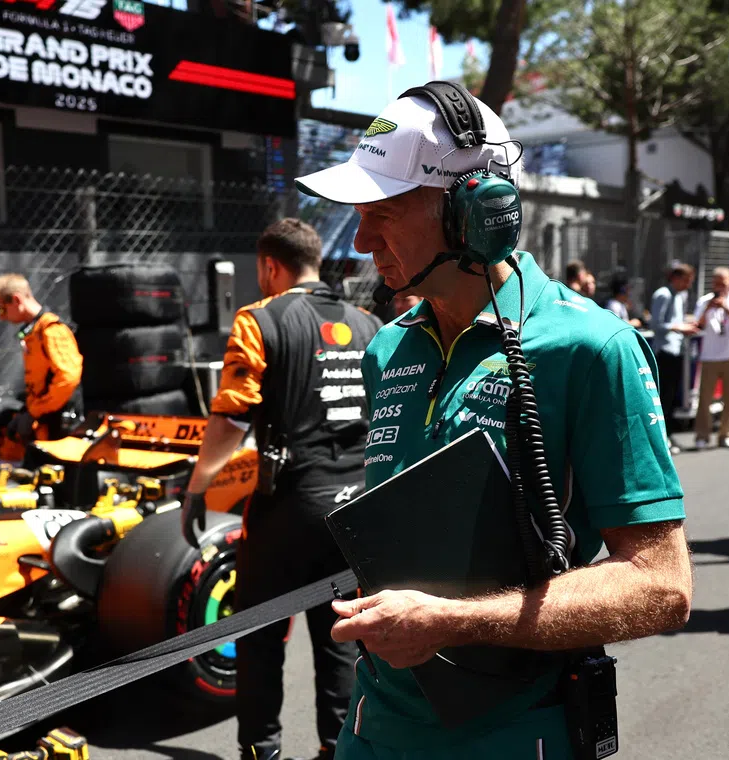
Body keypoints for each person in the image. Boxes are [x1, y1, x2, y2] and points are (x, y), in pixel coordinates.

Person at [294, 81, 691, 759]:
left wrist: (451, 622)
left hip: (514, 732)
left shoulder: (591, 348)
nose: (361, 242)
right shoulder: (388, 348)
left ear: (476, 212)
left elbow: (660, 585)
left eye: (383, 213)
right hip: (375, 726)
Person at [179, 218, 383, 760]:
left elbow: (230, 419)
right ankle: (336, 748)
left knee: (259, 634)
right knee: (342, 635)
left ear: (270, 266)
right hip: (358, 504)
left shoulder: (259, 319)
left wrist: (197, 487)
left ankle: (262, 751)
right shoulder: (368, 324)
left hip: (289, 505)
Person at [0, 274, 84, 449]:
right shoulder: (34, 331)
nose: (1, 317)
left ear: (16, 300)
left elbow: (68, 378)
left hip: (60, 422)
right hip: (44, 419)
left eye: (1, 309)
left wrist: (35, 411)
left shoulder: (51, 330)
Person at [649, 263, 699, 454]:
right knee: (663, 397)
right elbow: (657, 324)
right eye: (686, 281)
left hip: (677, 350)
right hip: (665, 352)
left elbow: (674, 320)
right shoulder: (663, 294)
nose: (687, 285)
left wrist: (685, 324)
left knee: (670, 399)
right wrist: (680, 328)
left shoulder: (680, 296)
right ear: (676, 278)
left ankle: (666, 436)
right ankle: (659, 438)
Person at [692, 267, 729, 450]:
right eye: (716, 282)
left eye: (723, 282)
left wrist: (725, 307)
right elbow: (698, 324)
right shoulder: (705, 300)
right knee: (705, 398)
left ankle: (726, 434)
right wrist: (708, 309)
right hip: (711, 355)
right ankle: (702, 435)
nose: (720, 286)